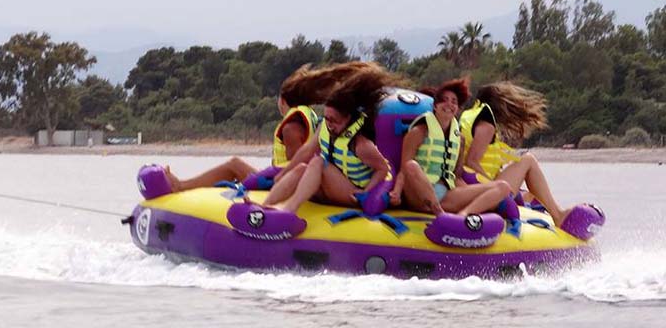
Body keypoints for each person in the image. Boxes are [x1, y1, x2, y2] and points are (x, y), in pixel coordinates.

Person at [163, 62, 375, 192]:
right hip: (286, 176)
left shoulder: (291, 125)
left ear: (283, 100)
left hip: (280, 180)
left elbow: (296, 162)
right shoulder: (309, 115)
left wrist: (274, 179)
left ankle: (181, 186)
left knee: (234, 165)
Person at [261, 68, 396, 213]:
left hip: (350, 192)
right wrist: (283, 173)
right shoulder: (324, 127)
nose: (329, 124)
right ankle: (264, 206)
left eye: (334, 120)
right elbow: (307, 150)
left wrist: (367, 192)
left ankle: (289, 210)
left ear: (348, 118)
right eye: (327, 118)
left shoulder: (361, 144)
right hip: (331, 187)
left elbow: (383, 168)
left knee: (318, 162)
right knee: (300, 168)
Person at [388, 79, 512, 216]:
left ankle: (462, 215)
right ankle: (440, 213)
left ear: (457, 109)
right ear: (435, 106)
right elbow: (404, 170)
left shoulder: (459, 138)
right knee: (411, 165)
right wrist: (397, 192)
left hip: (445, 194)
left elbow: (457, 177)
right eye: (444, 100)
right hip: (418, 195)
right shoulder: (418, 132)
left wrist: (476, 193)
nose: (449, 104)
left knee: (503, 187)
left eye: (454, 102)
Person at [459, 81, 570, 225]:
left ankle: (538, 206)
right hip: (479, 186)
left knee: (527, 192)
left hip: (470, 182)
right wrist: (493, 188)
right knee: (528, 160)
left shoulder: (469, 115)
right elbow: (472, 161)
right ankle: (557, 215)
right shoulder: (486, 124)